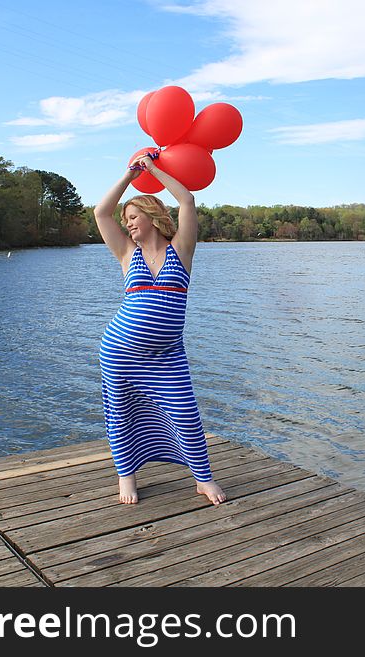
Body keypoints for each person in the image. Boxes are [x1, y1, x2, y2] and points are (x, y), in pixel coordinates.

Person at [94, 152, 226, 506]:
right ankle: (127, 477)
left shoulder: (181, 251)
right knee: (121, 413)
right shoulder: (126, 254)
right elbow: (101, 213)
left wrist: (152, 169)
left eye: (134, 217)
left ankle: (203, 479)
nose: (129, 224)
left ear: (152, 217)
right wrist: (128, 175)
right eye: (127, 220)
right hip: (120, 353)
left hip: (167, 357)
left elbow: (187, 200)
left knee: (185, 413)